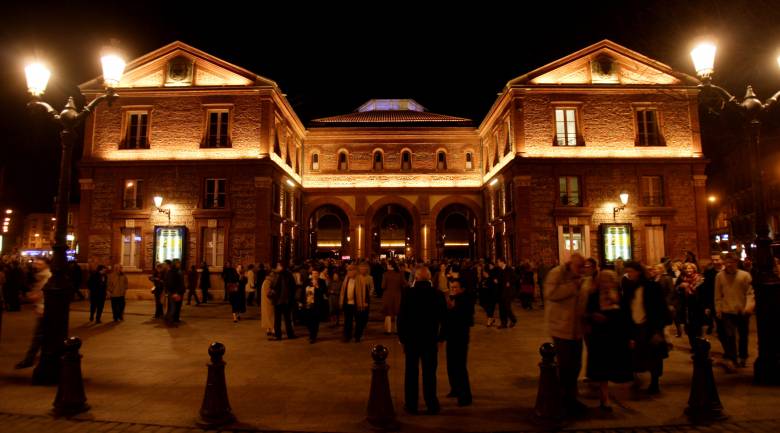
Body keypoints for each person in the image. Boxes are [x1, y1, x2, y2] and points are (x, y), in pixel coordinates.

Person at [543, 253, 588, 417]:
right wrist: (572, 287)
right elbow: (550, 294)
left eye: (584, 267)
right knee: (566, 366)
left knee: (576, 365)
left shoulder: (580, 278)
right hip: (561, 328)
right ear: (571, 264)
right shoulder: (557, 273)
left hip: (576, 329)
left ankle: (571, 398)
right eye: (579, 267)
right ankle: (564, 400)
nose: (582, 270)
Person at [398, 265, 447, 415]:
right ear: (430, 278)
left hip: (412, 340)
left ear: (416, 278)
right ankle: (431, 403)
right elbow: (444, 319)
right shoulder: (437, 294)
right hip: (430, 339)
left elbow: (402, 318)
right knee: (430, 373)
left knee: (411, 373)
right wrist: (441, 338)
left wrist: (402, 339)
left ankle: (411, 404)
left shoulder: (408, 294)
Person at [584, 270, 632, 411]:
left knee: (613, 366)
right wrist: (593, 316)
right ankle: (604, 398)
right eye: (603, 280)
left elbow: (627, 316)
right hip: (600, 336)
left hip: (616, 335)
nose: (606, 283)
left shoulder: (620, 295)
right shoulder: (593, 295)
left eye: (608, 279)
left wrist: (630, 336)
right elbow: (586, 312)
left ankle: (610, 394)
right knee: (602, 368)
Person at [621, 261, 669, 395]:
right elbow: (627, 309)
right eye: (627, 272)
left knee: (654, 356)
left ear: (638, 272)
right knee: (636, 354)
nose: (629, 274)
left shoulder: (652, 287)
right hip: (635, 326)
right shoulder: (629, 288)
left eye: (631, 271)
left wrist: (658, 330)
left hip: (650, 326)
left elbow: (660, 308)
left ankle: (654, 383)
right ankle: (637, 380)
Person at [715, 253, 755, 369]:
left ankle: (743, 356)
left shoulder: (745, 276)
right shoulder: (719, 276)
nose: (728, 265)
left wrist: (748, 307)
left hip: (742, 310)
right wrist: (718, 309)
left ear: (736, 263)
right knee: (729, 335)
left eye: (731, 262)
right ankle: (732, 358)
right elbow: (717, 294)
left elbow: (750, 293)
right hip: (727, 310)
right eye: (726, 262)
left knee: (743, 335)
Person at [444, 277, 474, 407]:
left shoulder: (465, 300)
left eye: (456, 287)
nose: (453, 290)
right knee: (451, 364)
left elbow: (467, 320)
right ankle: (455, 388)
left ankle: (465, 396)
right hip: (451, 336)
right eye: (451, 287)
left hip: (460, 337)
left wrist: (452, 309)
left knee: (460, 366)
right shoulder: (451, 300)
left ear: (461, 289)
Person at [15, 259, 51, 369]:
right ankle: (40, 358)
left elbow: (40, 295)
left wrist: (30, 297)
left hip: (44, 310)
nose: (36, 265)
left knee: (38, 337)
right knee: (43, 337)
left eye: (39, 263)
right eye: (36, 263)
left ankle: (29, 359)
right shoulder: (42, 277)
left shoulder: (46, 278)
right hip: (43, 309)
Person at [678, 262, 706, 350]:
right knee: (689, 327)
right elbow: (676, 290)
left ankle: (698, 345)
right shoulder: (681, 279)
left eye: (690, 268)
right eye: (686, 268)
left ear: (694, 269)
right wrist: (680, 287)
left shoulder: (700, 279)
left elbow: (704, 293)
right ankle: (693, 345)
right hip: (686, 306)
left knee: (697, 326)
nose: (688, 270)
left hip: (697, 306)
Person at [339, 264, 369, 342]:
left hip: (357, 304)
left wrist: (365, 302)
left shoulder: (361, 279)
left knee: (359, 321)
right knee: (347, 321)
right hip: (348, 304)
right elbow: (343, 291)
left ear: (355, 271)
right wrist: (342, 301)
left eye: (350, 270)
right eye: (348, 271)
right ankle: (347, 336)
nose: (349, 272)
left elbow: (366, 292)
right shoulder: (346, 279)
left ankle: (357, 336)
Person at [269, 262, 297, 340]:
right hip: (283, 301)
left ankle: (282, 335)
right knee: (284, 319)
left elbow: (273, 286)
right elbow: (294, 287)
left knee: (281, 319)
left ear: (281, 266)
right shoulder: (286, 275)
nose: (277, 267)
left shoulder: (281, 275)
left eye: (278, 266)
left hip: (282, 300)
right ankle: (285, 335)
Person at [301, 269, 328, 343]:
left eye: (316, 273)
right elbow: (303, 292)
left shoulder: (321, 282)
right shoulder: (307, 281)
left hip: (316, 305)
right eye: (313, 273)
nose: (315, 275)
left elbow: (324, 292)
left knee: (315, 321)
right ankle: (311, 333)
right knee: (307, 321)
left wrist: (317, 286)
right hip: (307, 304)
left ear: (318, 274)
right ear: (311, 274)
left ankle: (313, 336)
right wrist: (300, 301)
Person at [381, 260, 407, 334]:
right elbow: (405, 284)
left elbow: (383, 286)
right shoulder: (400, 274)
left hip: (387, 295)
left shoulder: (385, 274)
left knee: (388, 313)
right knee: (397, 313)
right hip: (397, 295)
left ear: (390, 265)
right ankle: (396, 329)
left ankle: (388, 330)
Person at [496, 258, 517, 329]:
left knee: (507, 308)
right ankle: (503, 323)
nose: (497, 264)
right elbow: (499, 279)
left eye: (498, 262)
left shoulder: (509, 269)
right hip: (500, 292)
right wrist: (496, 280)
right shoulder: (498, 270)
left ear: (502, 262)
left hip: (508, 292)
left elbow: (515, 278)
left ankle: (513, 320)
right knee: (501, 308)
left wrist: (509, 282)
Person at [164, 260, 185, 324]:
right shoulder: (173, 272)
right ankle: (170, 320)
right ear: (175, 264)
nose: (179, 264)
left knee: (175, 307)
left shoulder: (177, 271)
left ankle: (174, 319)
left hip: (176, 291)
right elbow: (171, 283)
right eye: (178, 263)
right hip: (174, 292)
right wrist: (175, 292)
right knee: (173, 307)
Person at [260, 271, 277, 336]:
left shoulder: (265, 282)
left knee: (267, 316)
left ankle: (268, 329)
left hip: (265, 302)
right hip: (269, 302)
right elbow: (268, 293)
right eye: (272, 276)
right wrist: (274, 292)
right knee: (271, 316)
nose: (273, 277)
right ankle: (273, 329)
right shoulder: (268, 282)